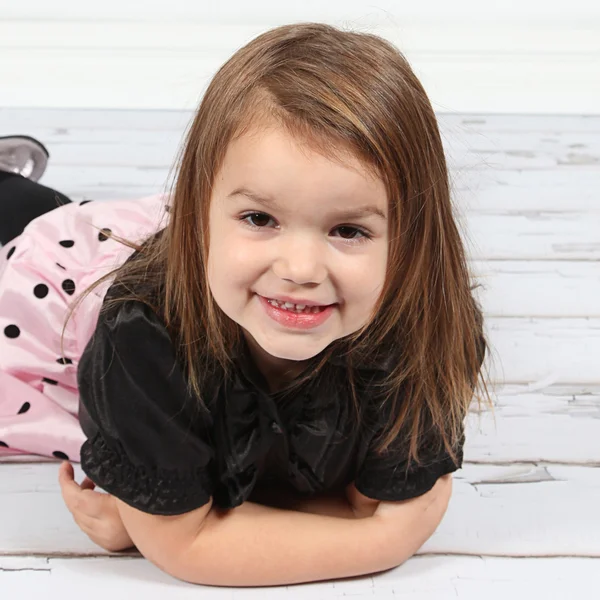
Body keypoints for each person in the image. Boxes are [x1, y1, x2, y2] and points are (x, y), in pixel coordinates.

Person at [0, 22, 492, 586]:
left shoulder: (428, 326)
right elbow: (193, 545)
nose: (300, 270)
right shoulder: (142, 328)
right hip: (47, 300)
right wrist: (386, 540)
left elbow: (204, 528)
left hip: (209, 266)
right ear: (200, 217)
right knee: (29, 222)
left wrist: (164, 518)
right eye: (261, 218)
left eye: (349, 230)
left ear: (413, 239)